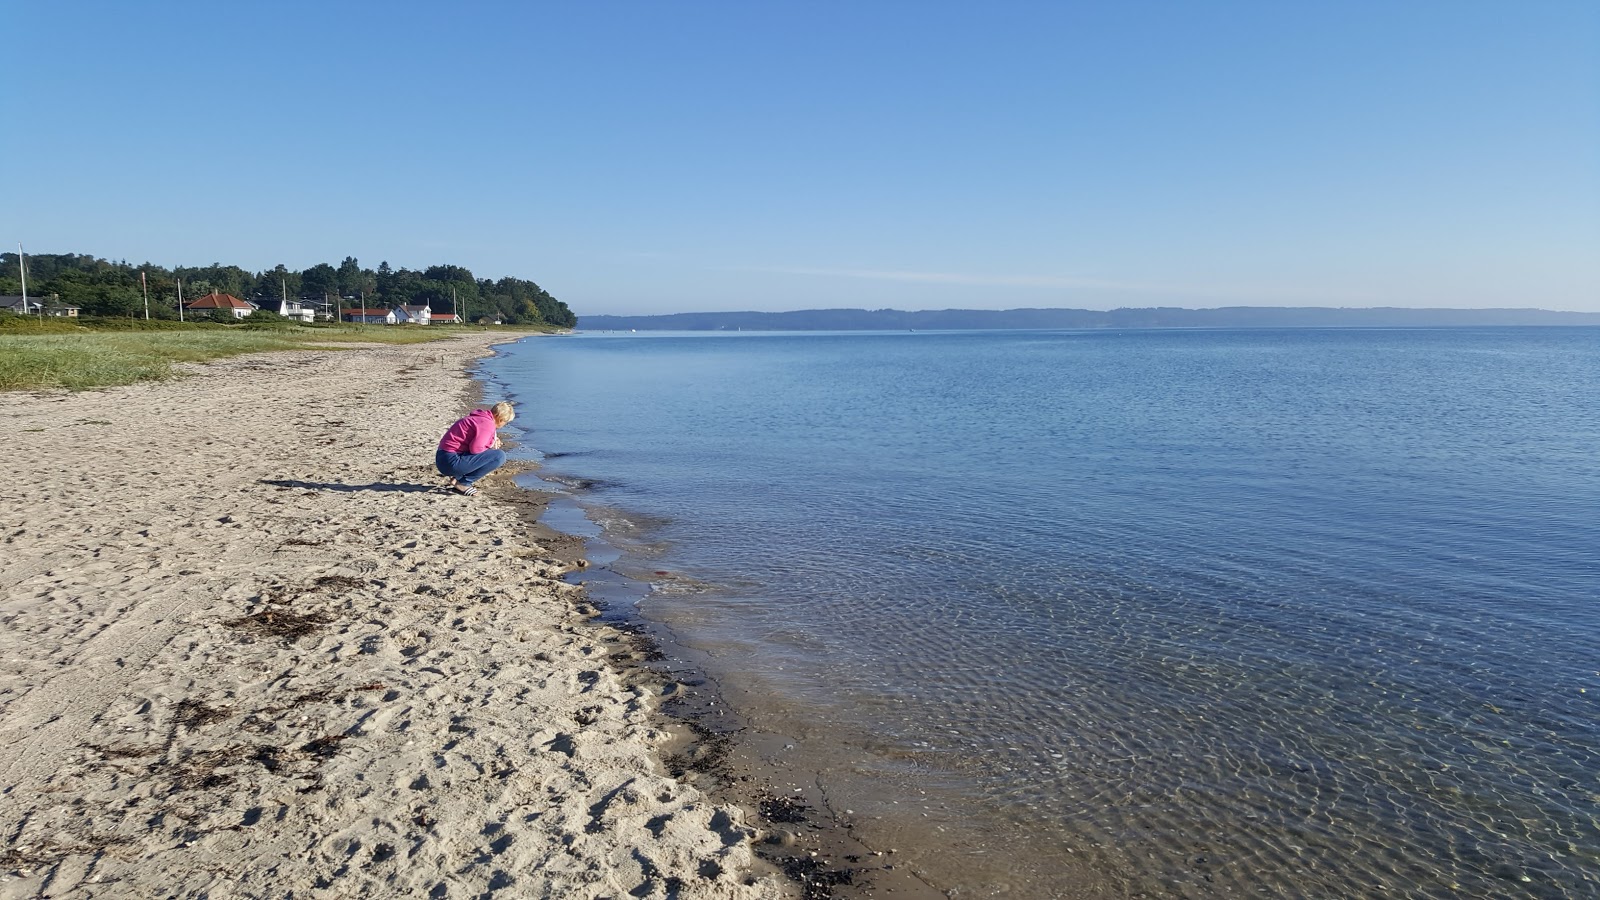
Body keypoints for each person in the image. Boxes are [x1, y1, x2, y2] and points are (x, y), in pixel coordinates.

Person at [436, 401, 514, 496]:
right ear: (501, 419)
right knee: (499, 456)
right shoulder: (487, 424)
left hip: (443, 457)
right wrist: (492, 445)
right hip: (450, 461)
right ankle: (463, 483)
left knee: (490, 454)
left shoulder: (480, 418)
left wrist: (491, 440)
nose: (503, 425)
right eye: (505, 422)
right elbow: (476, 449)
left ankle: (459, 478)